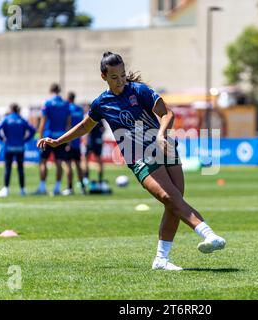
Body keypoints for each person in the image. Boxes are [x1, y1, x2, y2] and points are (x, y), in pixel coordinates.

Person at [38, 52, 226, 270]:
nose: (120, 81)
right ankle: (208, 234)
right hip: (137, 155)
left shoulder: (139, 91)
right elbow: (84, 127)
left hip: (164, 147)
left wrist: (162, 134)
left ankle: (161, 260)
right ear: (104, 77)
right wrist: (57, 141)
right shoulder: (101, 103)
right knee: (169, 196)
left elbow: (167, 114)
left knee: (174, 202)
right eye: (115, 77)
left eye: (123, 75)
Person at [34, 83, 71, 196]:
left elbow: (43, 122)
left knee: (43, 162)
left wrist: (40, 138)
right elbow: (68, 123)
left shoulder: (48, 103)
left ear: (50, 91)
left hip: (48, 136)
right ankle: (56, 188)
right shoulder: (65, 104)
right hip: (61, 137)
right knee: (59, 162)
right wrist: (68, 139)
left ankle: (42, 187)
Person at [0, 103, 36, 197]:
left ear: (10, 109)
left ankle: (6, 189)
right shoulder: (22, 120)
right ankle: (22, 190)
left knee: (8, 169)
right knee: (20, 169)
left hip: (9, 147)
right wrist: (25, 140)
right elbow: (33, 130)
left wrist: (2, 139)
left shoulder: (6, 119)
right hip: (20, 147)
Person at [63, 92, 87, 196]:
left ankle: (70, 188)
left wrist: (67, 142)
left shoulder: (67, 108)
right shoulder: (79, 109)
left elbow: (68, 125)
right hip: (78, 141)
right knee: (78, 165)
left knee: (68, 165)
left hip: (70, 141)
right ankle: (82, 187)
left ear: (68, 99)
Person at [83, 119, 105, 189]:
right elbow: (103, 129)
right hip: (98, 140)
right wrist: (99, 135)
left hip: (91, 140)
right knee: (99, 160)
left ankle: (86, 178)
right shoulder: (100, 119)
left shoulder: (91, 116)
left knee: (85, 159)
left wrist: (86, 140)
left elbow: (87, 129)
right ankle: (100, 180)